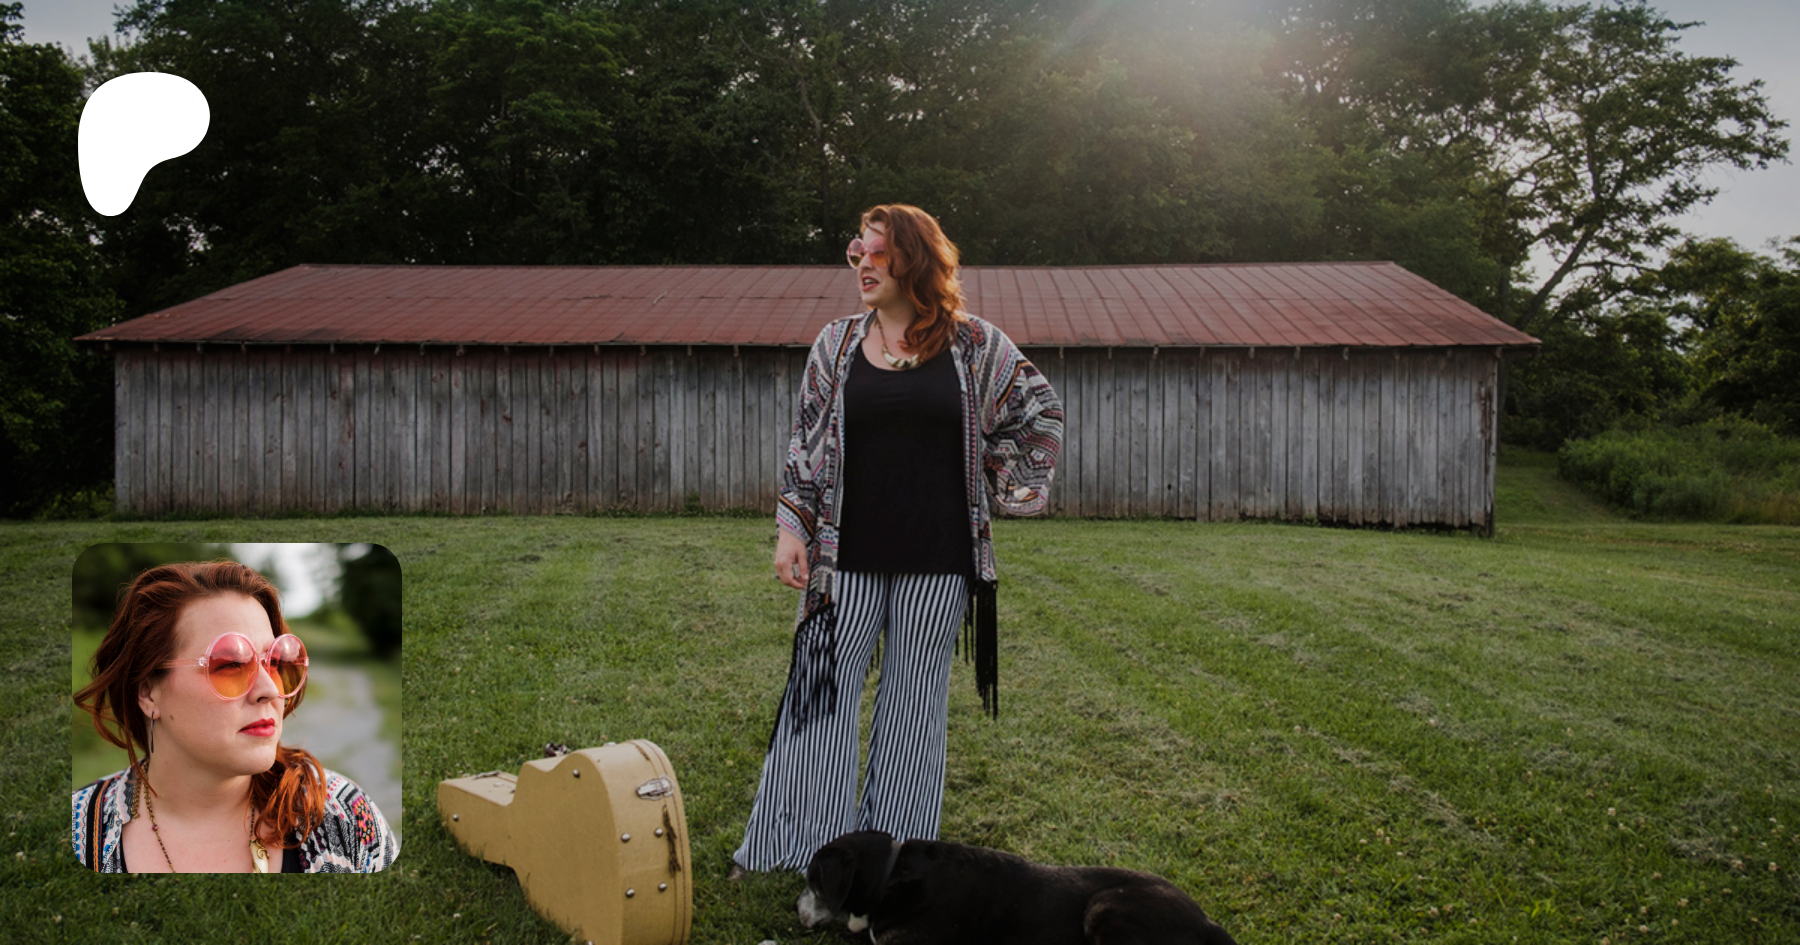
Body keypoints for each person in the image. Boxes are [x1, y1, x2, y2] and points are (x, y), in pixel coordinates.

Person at [732, 204, 1064, 874]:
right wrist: (791, 527)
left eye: (878, 251)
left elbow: (1040, 412)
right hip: (842, 560)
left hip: (938, 562)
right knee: (816, 696)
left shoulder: (975, 346)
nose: (863, 263)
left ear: (914, 258)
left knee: (913, 713)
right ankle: (794, 848)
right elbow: (805, 444)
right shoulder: (835, 345)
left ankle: (891, 863)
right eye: (856, 251)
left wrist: (1000, 479)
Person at [71, 561, 398, 873]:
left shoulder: (344, 816)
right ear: (148, 693)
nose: (270, 690)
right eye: (230, 665)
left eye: (274, 661)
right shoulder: (78, 830)